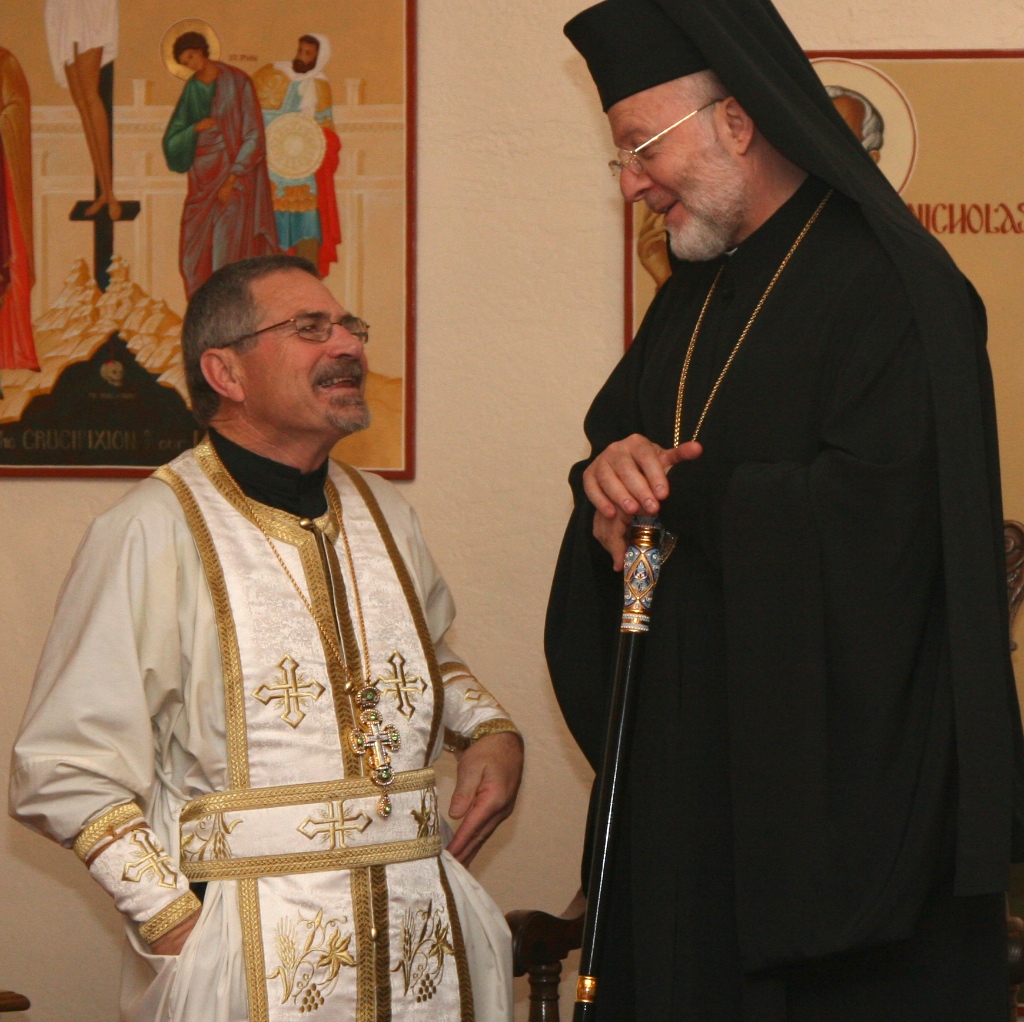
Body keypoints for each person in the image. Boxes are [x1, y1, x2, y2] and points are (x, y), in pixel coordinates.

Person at [545, 1, 1024, 1019]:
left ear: (736, 120)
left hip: (840, 827)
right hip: (689, 798)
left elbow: (879, 530)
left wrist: (686, 493)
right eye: (620, 156)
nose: (631, 182)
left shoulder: (895, 287)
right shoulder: (691, 293)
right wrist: (609, 481)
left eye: (642, 146)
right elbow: (618, 453)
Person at [10, 253, 523, 1021]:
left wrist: (490, 732)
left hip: (421, 948)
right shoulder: (151, 529)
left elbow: (422, 663)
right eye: (310, 328)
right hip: (254, 959)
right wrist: (177, 923)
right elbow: (62, 766)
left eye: (348, 326)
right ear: (226, 372)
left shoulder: (385, 512)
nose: (346, 345)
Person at [163, 32, 278, 298]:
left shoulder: (238, 81)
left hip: (234, 180)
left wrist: (232, 178)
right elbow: (172, 138)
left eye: (191, 56)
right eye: (185, 62)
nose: (190, 64)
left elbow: (253, 135)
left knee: (226, 257)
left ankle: (228, 315)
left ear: (202, 50)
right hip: (201, 180)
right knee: (192, 259)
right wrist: (194, 129)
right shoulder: (192, 88)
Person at [254, 34, 343, 277]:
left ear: (318, 58)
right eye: (300, 51)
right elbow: (254, 118)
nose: (300, 57)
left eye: (307, 54)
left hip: (303, 175)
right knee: (271, 238)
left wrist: (316, 145)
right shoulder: (272, 75)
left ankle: (305, 284)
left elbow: (327, 132)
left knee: (307, 236)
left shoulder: (320, 87)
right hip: (272, 172)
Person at [44, 0, 122, 219]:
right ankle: (104, 192)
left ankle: (109, 193)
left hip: (89, 8)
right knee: (81, 103)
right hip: (63, 8)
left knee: (89, 96)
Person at [0, 45, 38, 372]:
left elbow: (17, 108)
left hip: (3, 178)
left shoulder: (4, 60)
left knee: (10, 259)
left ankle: (10, 352)